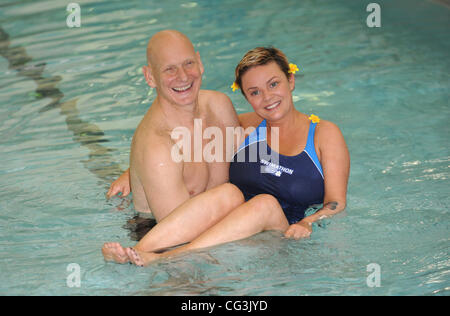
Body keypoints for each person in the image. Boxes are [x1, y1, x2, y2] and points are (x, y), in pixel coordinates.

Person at [105, 46, 350, 266]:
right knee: (230, 192)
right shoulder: (250, 127)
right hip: (235, 235)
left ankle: (167, 257)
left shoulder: (323, 135)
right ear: (247, 98)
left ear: (290, 80)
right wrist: (134, 170)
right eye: (255, 92)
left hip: (286, 239)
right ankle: (137, 250)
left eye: (273, 84)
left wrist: (308, 223)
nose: (267, 97)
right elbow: (192, 138)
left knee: (265, 204)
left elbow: (336, 203)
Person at [102, 30, 241, 263]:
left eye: (188, 64)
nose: (183, 77)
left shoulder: (219, 106)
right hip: (160, 243)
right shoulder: (158, 149)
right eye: (169, 69)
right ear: (150, 77)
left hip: (219, 225)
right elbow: (179, 246)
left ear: (200, 63)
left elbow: (250, 147)